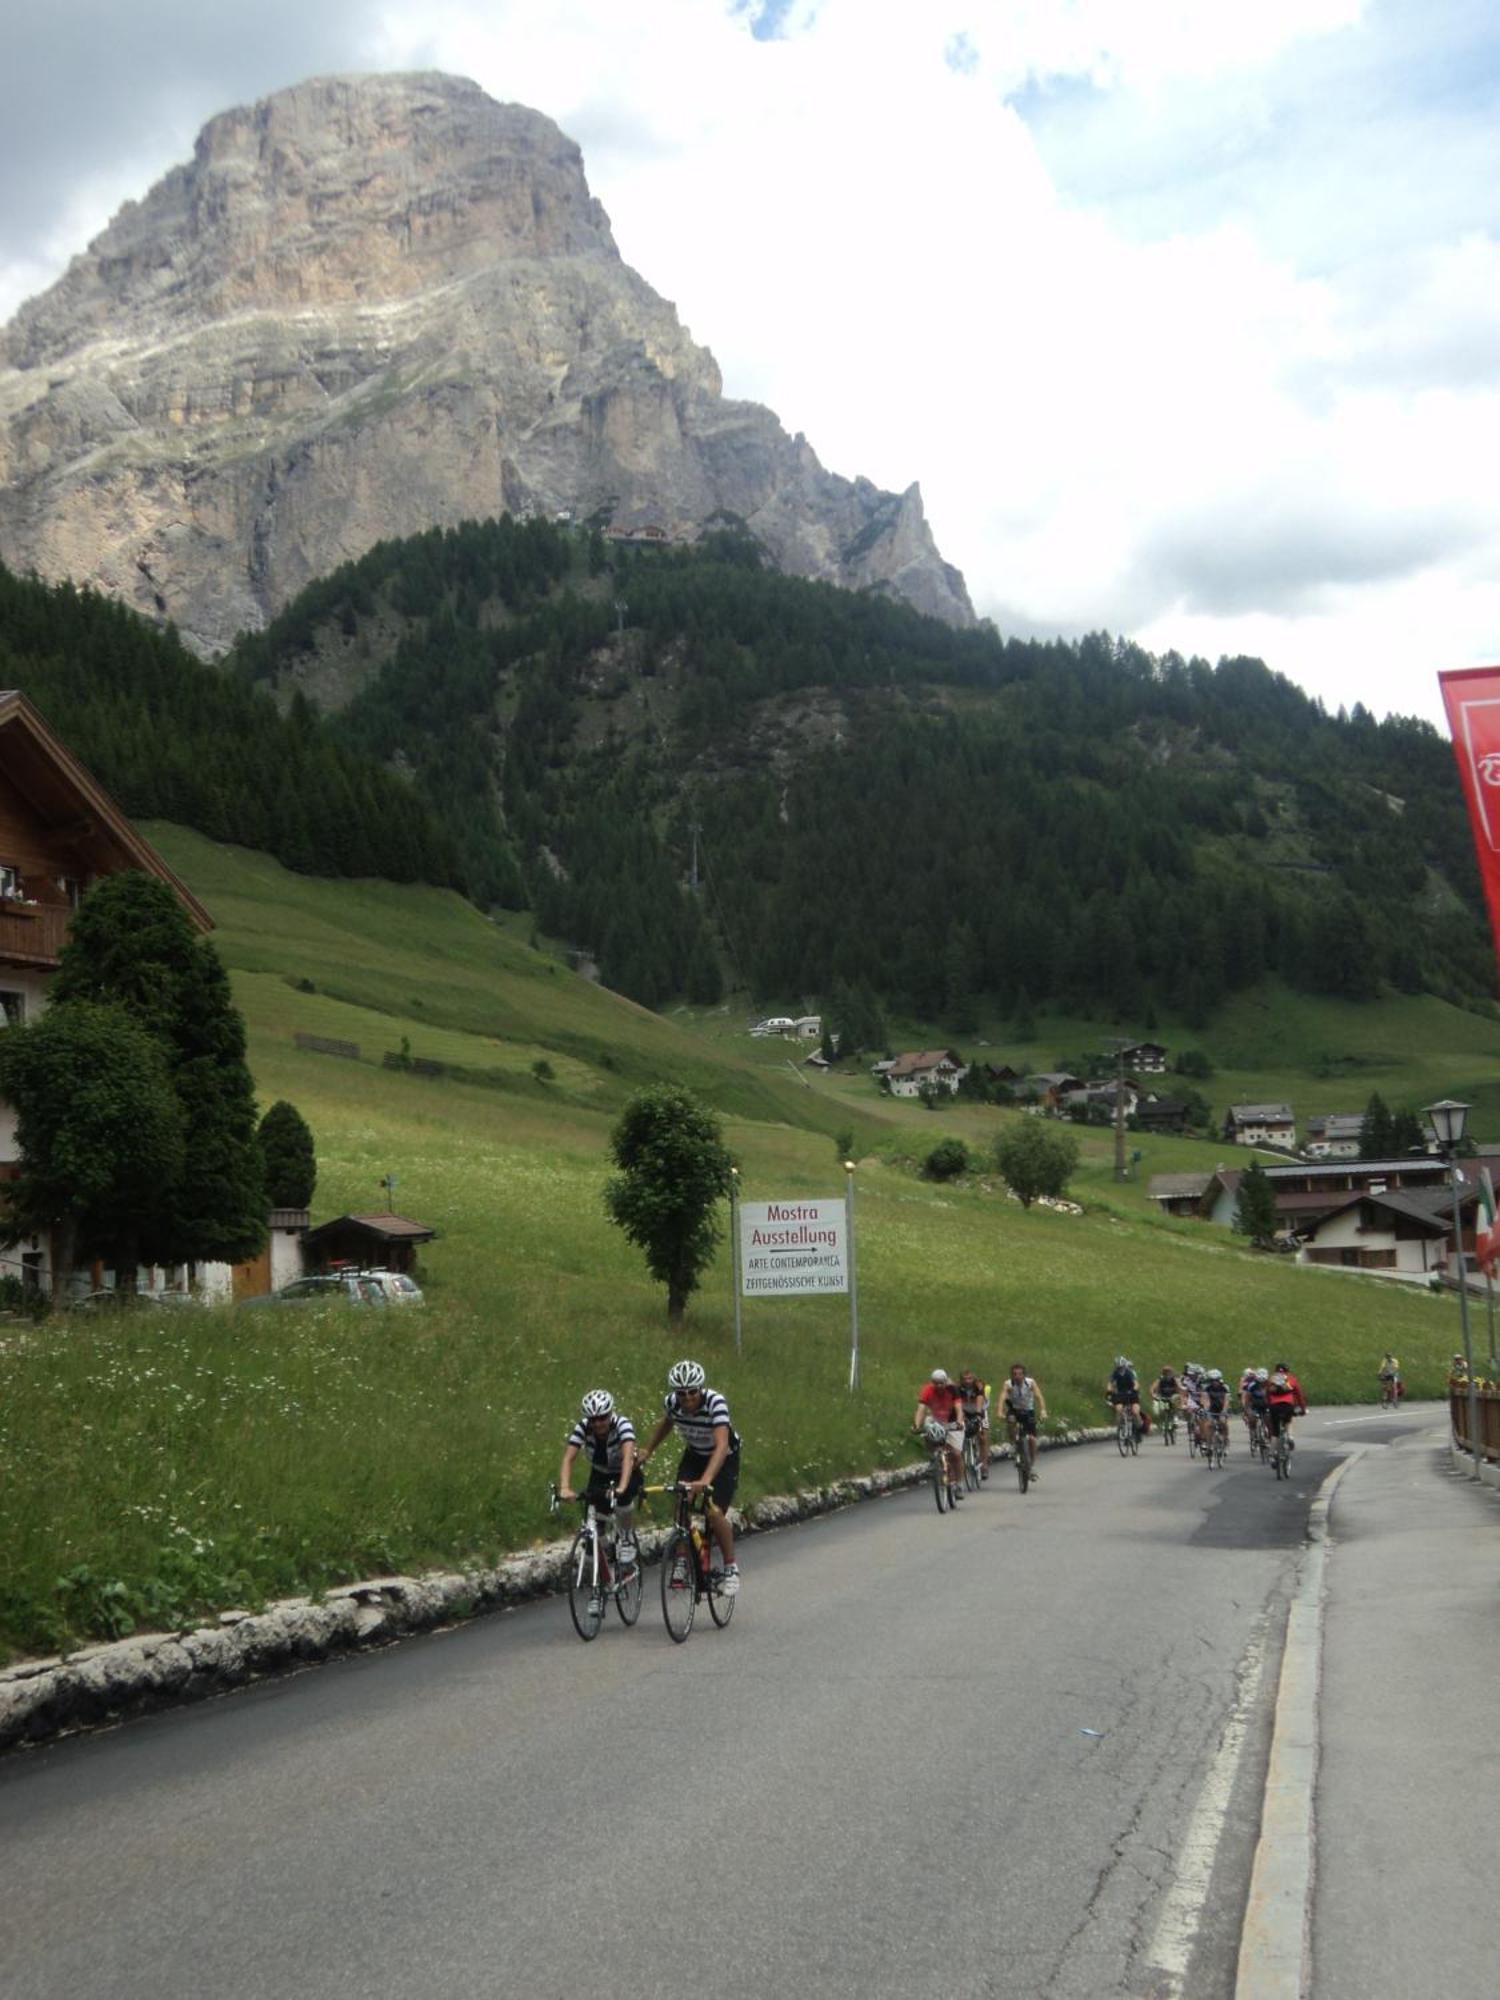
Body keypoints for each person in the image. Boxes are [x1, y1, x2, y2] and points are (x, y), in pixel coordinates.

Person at [637, 1360, 742, 1595]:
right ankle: (682, 1559)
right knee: (680, 1502)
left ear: (701, 1389)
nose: (687, 1399)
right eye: (681, 1394)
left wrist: (705, 1481)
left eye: (692, 1392)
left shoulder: (716, 1403)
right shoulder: (672, 1404)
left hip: (723, 1457)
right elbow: (667, 1423)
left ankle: (730, 1568)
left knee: (713, 1512)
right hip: (694, 1454)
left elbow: (722, 1445)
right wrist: (648, 1450)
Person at [558, 1389, 642, 1566]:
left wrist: (621, 1487)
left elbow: (627, 1457)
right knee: (592, 1533)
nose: (598, 1423)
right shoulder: (583, 1427)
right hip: (600, 1473)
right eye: (593, 1419)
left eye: (602, 1417)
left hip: (626, 1471)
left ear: (610, 1414)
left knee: (623, 1500)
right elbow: (568, 1458)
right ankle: (605, 1557)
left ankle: (626, 1538)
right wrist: (565, 1487)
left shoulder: (622, 1425)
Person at [912, 1367, 966, 1500]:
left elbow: (959, 1408)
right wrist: (916, 1425)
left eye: (942, 1382)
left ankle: (959, 1484)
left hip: (953, 1420)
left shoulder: (953, 1389)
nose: (939, 1386)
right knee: (927, 1427)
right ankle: (934, 1459)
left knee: (956, 1454)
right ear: (932, 1383)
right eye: (936, 1383)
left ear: (946, 1381)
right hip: (936, 1419)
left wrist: (959, 1422)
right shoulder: (927, 1390)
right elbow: (921, 1409)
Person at [1000, 1363, 1047, 1482]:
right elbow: (1002, 1397)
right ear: (1011, 1375)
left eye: (1020, 1374)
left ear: (1024, 1375)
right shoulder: (1008, 1384)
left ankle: (1031, 1466)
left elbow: (1039, 1396)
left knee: (1032, 1439)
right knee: (1010, 1421)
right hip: (1014, 1410)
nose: (1017, 1376)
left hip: (1028, 1411)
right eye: (1014, 1374)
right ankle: (1013, 1444)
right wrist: (999, 1411)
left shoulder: (1030, 1383)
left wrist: (1042, 1411)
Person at [957, 1368, 991, 1480]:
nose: (967, 1381)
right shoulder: (958, 1387)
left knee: (983, 1436)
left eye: (970, 1378)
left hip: (980, 1410)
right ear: (961, 1379)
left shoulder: (978, 1385)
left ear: (974, 1378)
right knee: (959, 1434)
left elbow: (980, 1398)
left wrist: (978, 1414)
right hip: (965, 1412)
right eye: (965, 1379)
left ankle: (984, 1466)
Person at [1266, 1361, 1307, 1450]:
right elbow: (1299, 1395)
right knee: (1288, 1421)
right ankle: (1290, 1437)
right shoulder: (1291, 1379)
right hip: (1288, 1405)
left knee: (1275, 1433)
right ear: (1287, 1370)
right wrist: (1303, 1409)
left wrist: (1269, 1406)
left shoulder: (1271, 1379)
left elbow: (1267, 1395)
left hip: (1274, 1406)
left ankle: (1273, 1455)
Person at [1106, 1355, 1146, 1436]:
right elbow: (1110, 1383)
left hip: (1131, 1393)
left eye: (1121, 1367)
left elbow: (1136, 1383)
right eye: (1118, 1367)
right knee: (1119, 1409)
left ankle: (1139, 1427)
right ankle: (1119, 1428)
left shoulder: (1129, 1372)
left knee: (1135, 1412)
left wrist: (1134, 1389)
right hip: (1121, 1394)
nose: (1120, 1369)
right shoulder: (1115, 1373)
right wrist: (1109, 1390)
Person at [1198, 1368, 1232, 1454]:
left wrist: (1224, 1411)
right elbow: (1205, 1400)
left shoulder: (1225, 1387)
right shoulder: (1206, 1388)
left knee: (1223, 1422)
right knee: (1208, 1424)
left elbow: (1226, 1400)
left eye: (1216, 1380)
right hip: (1212, 1408)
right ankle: (1209, 1444)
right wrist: (1206, 1409)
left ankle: (1226, 1440)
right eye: (1212, 1380)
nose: (1214, 1382)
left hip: (1222, 1407)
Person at [1151, 1363, 1181, 1429]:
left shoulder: (1174, 1378)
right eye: (1165, 1371)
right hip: (1163, 1396)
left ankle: (1175, 1418)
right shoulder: (1160, 1378)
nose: (1167, 1373)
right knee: (1160, 1407)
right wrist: (1153, 1393)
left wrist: (1180, 1392)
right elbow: (1154, 1386)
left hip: (1173, 1395)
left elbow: (1178, 1385)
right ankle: (1163, 1420)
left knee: (1175, 1402)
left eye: (1168, 1371)